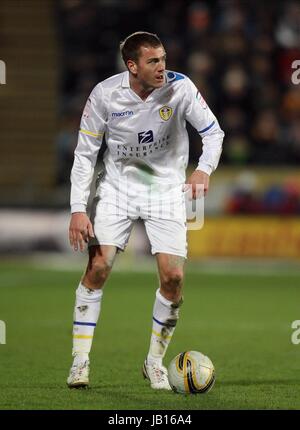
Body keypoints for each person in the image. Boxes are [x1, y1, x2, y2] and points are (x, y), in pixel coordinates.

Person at [67, 31, 224, 390]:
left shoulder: (180, 88)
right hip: (117, 190)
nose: (162, 68)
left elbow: (214, 133)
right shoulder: (105, 95)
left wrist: (203, 168)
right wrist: (79, 209)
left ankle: (154, 362)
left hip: (166, 192)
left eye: (164, 59)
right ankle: (80, 361)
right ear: (132, 65)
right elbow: (85, 155)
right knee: (99, 267)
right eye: (153, 61)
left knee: (173, 278)